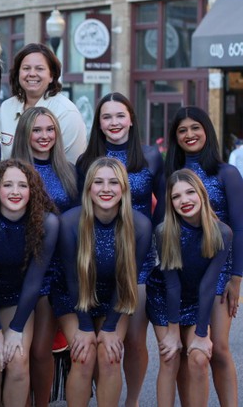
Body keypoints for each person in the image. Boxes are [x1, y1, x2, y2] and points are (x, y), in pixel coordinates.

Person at [75, 92, 165, 407]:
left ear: (130, 119)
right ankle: (105, 395)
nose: (114, 122)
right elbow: (80, 210)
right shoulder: (86, 161)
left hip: (137, 258)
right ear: (98, 123)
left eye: (119, 115)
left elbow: (163, 207)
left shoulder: (150, 156)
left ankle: (133, 400)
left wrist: (150, 240)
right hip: (94, 260)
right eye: (106, 117)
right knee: (102, 339)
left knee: (136, 340)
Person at [53, 157, 152, 407]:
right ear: (88, 188)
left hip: (114, 298)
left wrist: (109, 328)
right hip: (72, 297)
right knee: (83, 355)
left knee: (110, 356)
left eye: (113, 183)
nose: (106, 189)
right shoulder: (69, 222)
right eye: (98, 182)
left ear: (124, 189)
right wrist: (85, 327)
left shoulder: (140, 226)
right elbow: (71, 279)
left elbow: (127, 280)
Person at [165, 106, 243, 407]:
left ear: (207, 130)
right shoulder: (171, 175)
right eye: (182, 130)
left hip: (219, 270)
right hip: (182, 273)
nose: (189, 135)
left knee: (219, 347)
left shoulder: (227, 173)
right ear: (175, 137)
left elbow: (239, 226)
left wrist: (237, 277)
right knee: (187, 351)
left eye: (195, 128)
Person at [0, 160, 58, 407]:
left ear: (33, 190)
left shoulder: (47, 224)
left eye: (22, 185)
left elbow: (34, 280)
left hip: (17, 298)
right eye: (7, 185)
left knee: (18, 363)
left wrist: (16, 329)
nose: (15, 192)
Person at [10, 106, 78, 407]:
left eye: (50, 129)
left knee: (41, 350)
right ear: (25, 133)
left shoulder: (70, 172)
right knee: (19, 353)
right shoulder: (12, 171)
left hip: (57, 272)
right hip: (19, 268)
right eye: (36, 130)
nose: (44, 136)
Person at [147, 169, 232, 407]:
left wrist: (203, 334)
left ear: (202, 194)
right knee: (170, 356)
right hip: (164, 297)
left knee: (198, 358)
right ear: (170, 202)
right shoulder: (165, 232)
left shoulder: (222, 232)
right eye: (176, 197)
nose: (184, 201)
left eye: (190, 192)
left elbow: (208, 285)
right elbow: (171, 284)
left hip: (196, 298)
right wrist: (173, 331)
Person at [0, 43, 87, 164]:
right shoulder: (6, 108)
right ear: (18, 73)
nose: (32, 74)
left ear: (51, 76)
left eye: (39, 69)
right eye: (26, 68)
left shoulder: (67, 113)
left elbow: (71, 167)